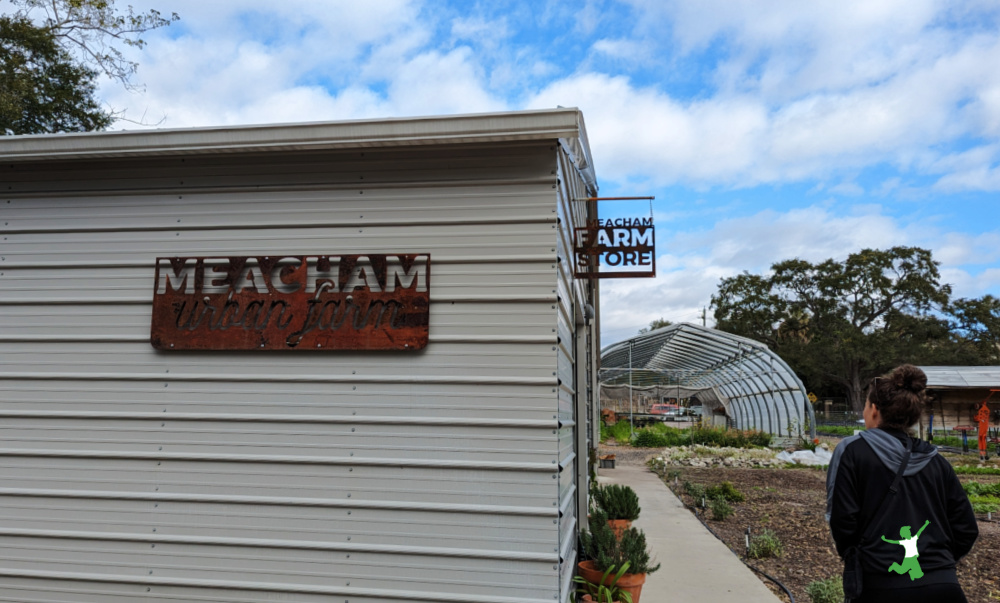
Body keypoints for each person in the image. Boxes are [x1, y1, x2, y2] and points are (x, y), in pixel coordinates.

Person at [827, 365, 979, 603]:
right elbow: (967, 528)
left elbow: (842, 520)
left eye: (866, 406)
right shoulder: (937, 462)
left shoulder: (853, 453)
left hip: (880, 585)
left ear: (875, 410)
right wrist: (939, 564)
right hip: (943, 587)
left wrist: (859, 557)